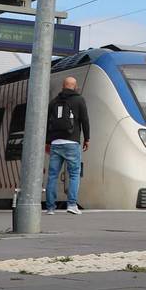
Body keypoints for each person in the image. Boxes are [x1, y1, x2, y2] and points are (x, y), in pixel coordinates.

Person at [45, 76, 90, 215]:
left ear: (63, 86)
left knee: (52, 175)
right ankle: (71, 204)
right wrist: (87, 139)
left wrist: (47, 142)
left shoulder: (54, 102)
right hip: (72, 142)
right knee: (74, 174)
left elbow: (48, 123)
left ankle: (50, 208)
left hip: (56, 143)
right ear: (75, 86)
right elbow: (85, 120)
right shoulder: (79, 100)